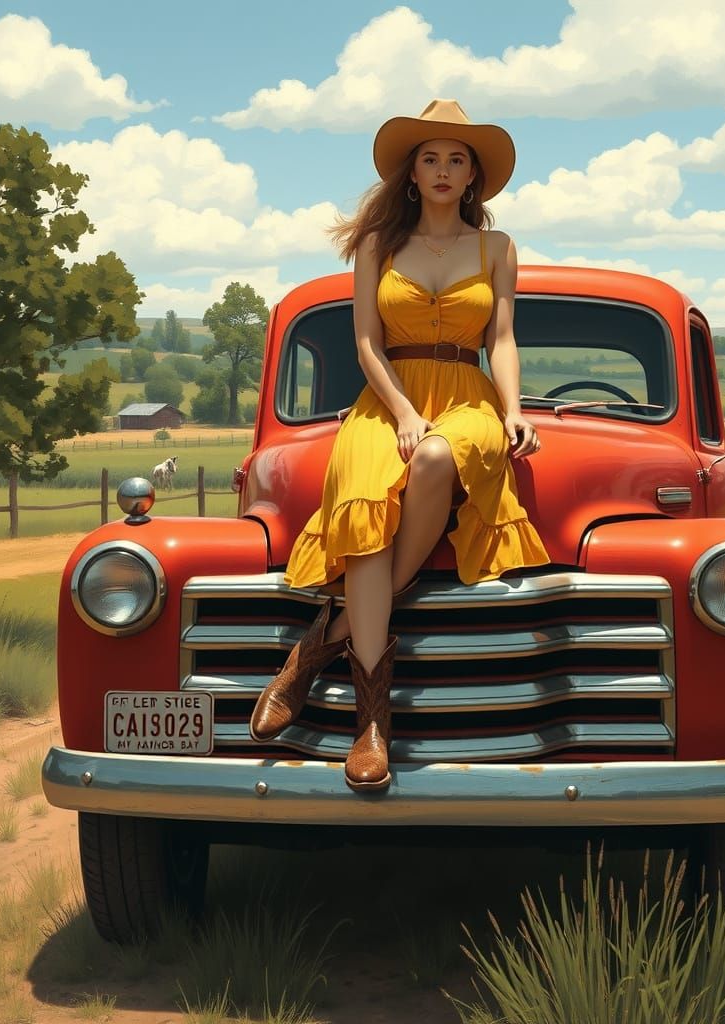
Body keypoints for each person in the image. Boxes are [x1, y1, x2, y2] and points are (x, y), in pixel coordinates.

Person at [249, 99, 550, 793]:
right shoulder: (378, 247)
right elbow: (365, 342)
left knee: (442, 456)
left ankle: (314, 649)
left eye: (457, 159)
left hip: (469, 398)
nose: (444, 170)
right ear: (411, 174)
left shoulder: (497, 249)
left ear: (473, 176)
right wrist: (406, 412)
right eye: (430, 157)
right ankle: (371, 726)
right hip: (388, 399)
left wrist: (513, 410)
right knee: (364, 507)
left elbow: (500, 339)